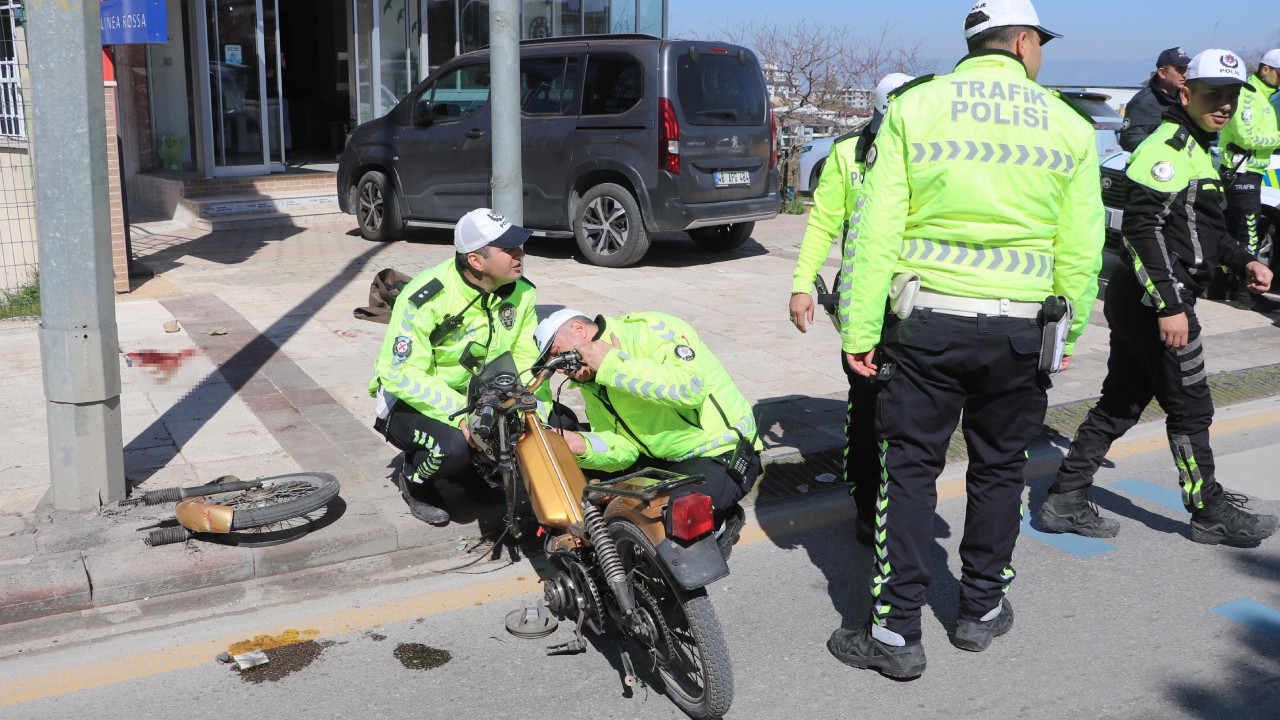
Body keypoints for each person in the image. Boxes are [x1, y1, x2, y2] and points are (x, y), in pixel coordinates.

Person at [827, 0, 1104, 680]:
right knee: (1001, 468)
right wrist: (1067, 329)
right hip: (1020, 330)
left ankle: (896, 636)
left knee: (911, 471)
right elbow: (1081, 247)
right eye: (1041, 42)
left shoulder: (916, 109)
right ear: (1019, 41)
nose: (1042, 54)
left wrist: (861, 328)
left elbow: (873, 233)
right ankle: (980, 611)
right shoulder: (1068, 124)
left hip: (926, 326)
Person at [1037, 50, 1279, 547]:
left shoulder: (1198, 146)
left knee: (1123, 402)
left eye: (1232, 96)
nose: (1224, 106)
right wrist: (1170, 306)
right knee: (1191, 409)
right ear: (1185, 92)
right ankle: (1206, 509)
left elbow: (1205, 232)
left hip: (1153, 296)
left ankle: (1064, 497)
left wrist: (1244, 260)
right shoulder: (1166, 148)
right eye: (1213, 94)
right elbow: (1140, 231)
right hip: (1156, 299)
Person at [788, 72, 915, 545]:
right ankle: (867, 503)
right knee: (866, 409)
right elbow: (822, 224)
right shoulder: (848, 155)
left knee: (911, 411)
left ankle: (902, 500)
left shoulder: (929, 149)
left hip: (920, 302)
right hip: (864, 302)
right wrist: (802, 284)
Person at [532, 309, 762, 559]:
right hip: (664, 460)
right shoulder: (593, 379)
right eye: (555, 364)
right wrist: (581, 445)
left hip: (720, 451)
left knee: (674, 529)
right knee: (599, 507)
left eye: (558, 353)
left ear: (579, 329)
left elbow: (690, 388)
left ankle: (723, 522)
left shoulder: (651, 328)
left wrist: (611, 363)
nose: (563, 368)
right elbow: (626, 447)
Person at [370, 208, 542, 525]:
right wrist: (462, 413)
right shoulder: (425, 297)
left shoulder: (522, 293)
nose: (520, 254)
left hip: (480, 395)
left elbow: (526, 356)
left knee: (545, 422)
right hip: (411, 399)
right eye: (508, 249)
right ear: (476, 261)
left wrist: (519, 399)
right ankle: (415, 481)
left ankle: (469, 474)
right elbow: (400, 373)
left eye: (519, 245)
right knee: (453, 448)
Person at [1214, 49, 1280, 311]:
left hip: (1247, 172)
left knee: (1230, 230)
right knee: (1249, 234)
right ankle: (1246, 294)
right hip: (1242, 173)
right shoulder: (1249, 96)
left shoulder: (1263, 96)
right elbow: (1247, 138)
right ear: (1265, 70)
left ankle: (1221, 285)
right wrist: (1278, 139)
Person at [1119, 47, 1191, 152]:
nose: (1184, 74)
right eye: (1179, 69)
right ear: (1162, 73)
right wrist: (1165, 139)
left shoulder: (1184, 98)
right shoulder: (1143, 102)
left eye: (1186, 69)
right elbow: (1128, 141)